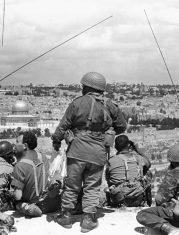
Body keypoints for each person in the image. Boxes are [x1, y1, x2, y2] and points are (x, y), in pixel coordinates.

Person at [51, 72, 127, 233]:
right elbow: (122, 126)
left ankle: (66, 217)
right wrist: (107, 128)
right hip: (98, 152)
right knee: (92, 187)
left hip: (76, 151)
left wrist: (56, 141)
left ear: (86, 87)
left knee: (72, 186)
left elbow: (63, 125)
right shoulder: (110, 105)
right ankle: (88, 220)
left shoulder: (77, 103)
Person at [10, 131, 60, 217]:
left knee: (17, 202)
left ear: (25, 146)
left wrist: (11, 193)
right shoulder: (43, 157)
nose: (15, 144)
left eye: (17, 142)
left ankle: (28, 207)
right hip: (49, 203)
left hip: (36, 204)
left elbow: (18, 196)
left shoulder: (20, 166)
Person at [105, 135, 151, 207]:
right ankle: (147, 201)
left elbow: (108, 178)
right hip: (138, 198)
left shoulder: (111, 161)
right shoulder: (138, 158)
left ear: (115, 146)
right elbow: (148, 164)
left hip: (118, 199)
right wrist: (137, 149)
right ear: (129, 145)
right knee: (147, 172)